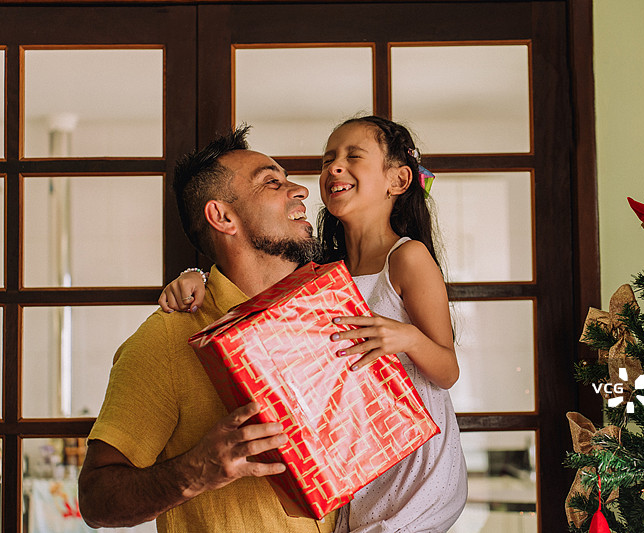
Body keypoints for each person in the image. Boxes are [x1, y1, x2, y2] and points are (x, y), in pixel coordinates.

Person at [160, 116, 468, 533]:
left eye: (352, 157)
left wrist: (406, 336)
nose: (334, 168)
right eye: (328, 159)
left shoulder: (408, 257)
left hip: (416, 458)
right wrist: (195, 275)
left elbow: (447, 372)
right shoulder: (317, 269)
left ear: (398, 180)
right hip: (358, 451)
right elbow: (252, 283)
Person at [78, 125, 336, 533]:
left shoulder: (327, 314)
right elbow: (95, 500)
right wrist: (196, 471)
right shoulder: (164, 341)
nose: (300, 190)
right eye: (272, 182)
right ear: (222, 216)